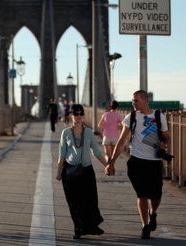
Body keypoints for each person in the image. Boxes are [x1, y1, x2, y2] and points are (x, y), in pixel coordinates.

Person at [105, 90, 171, 239]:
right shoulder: (131, 117)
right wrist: (111, 163)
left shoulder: (159, 116)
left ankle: (152, 213)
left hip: (154, 162)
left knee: (156, 196)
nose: (133, 103)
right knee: (141, 195)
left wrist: (164, 147)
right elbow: (121, 141)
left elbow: (167, 137)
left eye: (136, 100)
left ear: (145, 100)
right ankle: (145, 226)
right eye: (132, 100)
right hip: (136, 161)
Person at [56, 104, 108, 239]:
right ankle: (78, 229)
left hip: (86, 171)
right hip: (70, 172)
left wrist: (107, 165)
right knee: (74, 203)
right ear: (71, 115)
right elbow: (62, 154)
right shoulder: (66, 133)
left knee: (90, 201)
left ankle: (91, 227)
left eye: (81, 113)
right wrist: (58, 172)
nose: (79, 116)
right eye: (76, 113)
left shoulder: (89, 132)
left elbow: (96, 152)